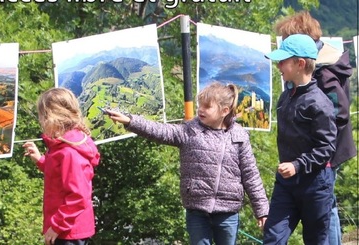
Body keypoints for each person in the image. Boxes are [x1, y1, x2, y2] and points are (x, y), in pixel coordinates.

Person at [106, 82, 269, 245]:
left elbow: (251, 175)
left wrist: (262, 211)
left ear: (224, 111)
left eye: (207, 107)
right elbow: (160, 131)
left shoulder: (239, 136)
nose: (200, 110)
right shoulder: (189, 131)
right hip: (197, 209)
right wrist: (130, 121)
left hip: (227, 211)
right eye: (200, 106)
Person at [274, 11, 357, 245]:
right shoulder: (320, 64)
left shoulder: (324, 71)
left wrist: (319, 137)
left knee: (325, 208)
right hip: (319, 150)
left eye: (288, 42)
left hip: (324, 152)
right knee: (326, 207)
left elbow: (339, 113)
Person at [263, 34, 337, 245]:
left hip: (316, 184)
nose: (278, 66)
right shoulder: (285, 96)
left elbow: (327, 148)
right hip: (286, 184)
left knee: (315, 241)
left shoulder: (320, 103)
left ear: (300, 63)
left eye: (283, 61)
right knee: (273, 238)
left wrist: (298, 165)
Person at [22, 87, 100, 245]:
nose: (40, 121)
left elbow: (78, 196)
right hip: (68, 227)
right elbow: (60, 175)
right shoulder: (63, 145)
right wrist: (40, 160)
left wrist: (56, 226)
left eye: (42, 116)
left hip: (69, 231)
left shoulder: (69, 151)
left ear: (52, 117)